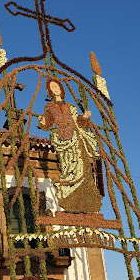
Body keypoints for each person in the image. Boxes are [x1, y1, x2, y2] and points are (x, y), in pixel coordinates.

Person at [38, 77, 102, 214]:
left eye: (57, 86)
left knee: (82, 168)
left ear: (61, 89)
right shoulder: (49, 106)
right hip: (62, 139)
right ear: (49, 91)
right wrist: (42, 121)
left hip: (75, 138)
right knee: (68, 170)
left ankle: (85, 204)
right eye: (52, 87)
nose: (55, 89)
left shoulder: (70, 107)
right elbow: (48, 124)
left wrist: (84, 117)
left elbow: (79, 122)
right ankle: (69, 200)